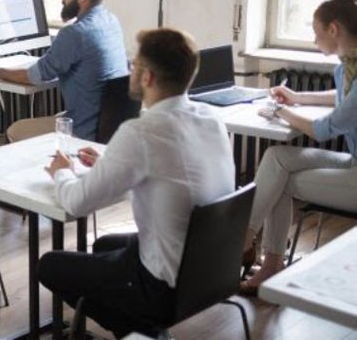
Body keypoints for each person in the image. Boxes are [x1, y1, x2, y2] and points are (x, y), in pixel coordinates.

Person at [39, 28, 234, 339]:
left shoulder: (142, 131)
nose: (130, 67)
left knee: (49, 265)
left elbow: (75, 203)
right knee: (103, 246)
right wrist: (109, 165)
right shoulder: (212, 119)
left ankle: (144, 332)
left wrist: (61, 171)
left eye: (135, 64)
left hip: (164, 288)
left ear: (148, 77)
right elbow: (171, 177)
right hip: (210, 270)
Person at [239, 0, 357, 295]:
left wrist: (280, 111)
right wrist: (297, 98)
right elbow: (344, 101)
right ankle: (249, 239)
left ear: (334, 29)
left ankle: (261, 258)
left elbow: (325, 129)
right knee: (277, 157)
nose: (315, 40)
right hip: (353, 162)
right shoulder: (348, 66)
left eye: (317, 33)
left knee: (279, 180)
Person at [0, 0, 127, 142]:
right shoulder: (111, 21)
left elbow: (33, 77)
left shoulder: (74, 34)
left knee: (15, 129)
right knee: (59, 115)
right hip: (110, 126)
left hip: (82, 130)